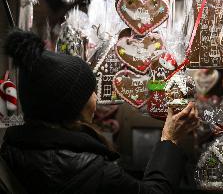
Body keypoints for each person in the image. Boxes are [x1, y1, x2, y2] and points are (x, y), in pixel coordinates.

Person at [0, 30, 199, 194]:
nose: (96, 98)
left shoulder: (13, 149)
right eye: (89, 92)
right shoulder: (90, 171)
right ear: (70, 107)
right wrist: (170, 138)